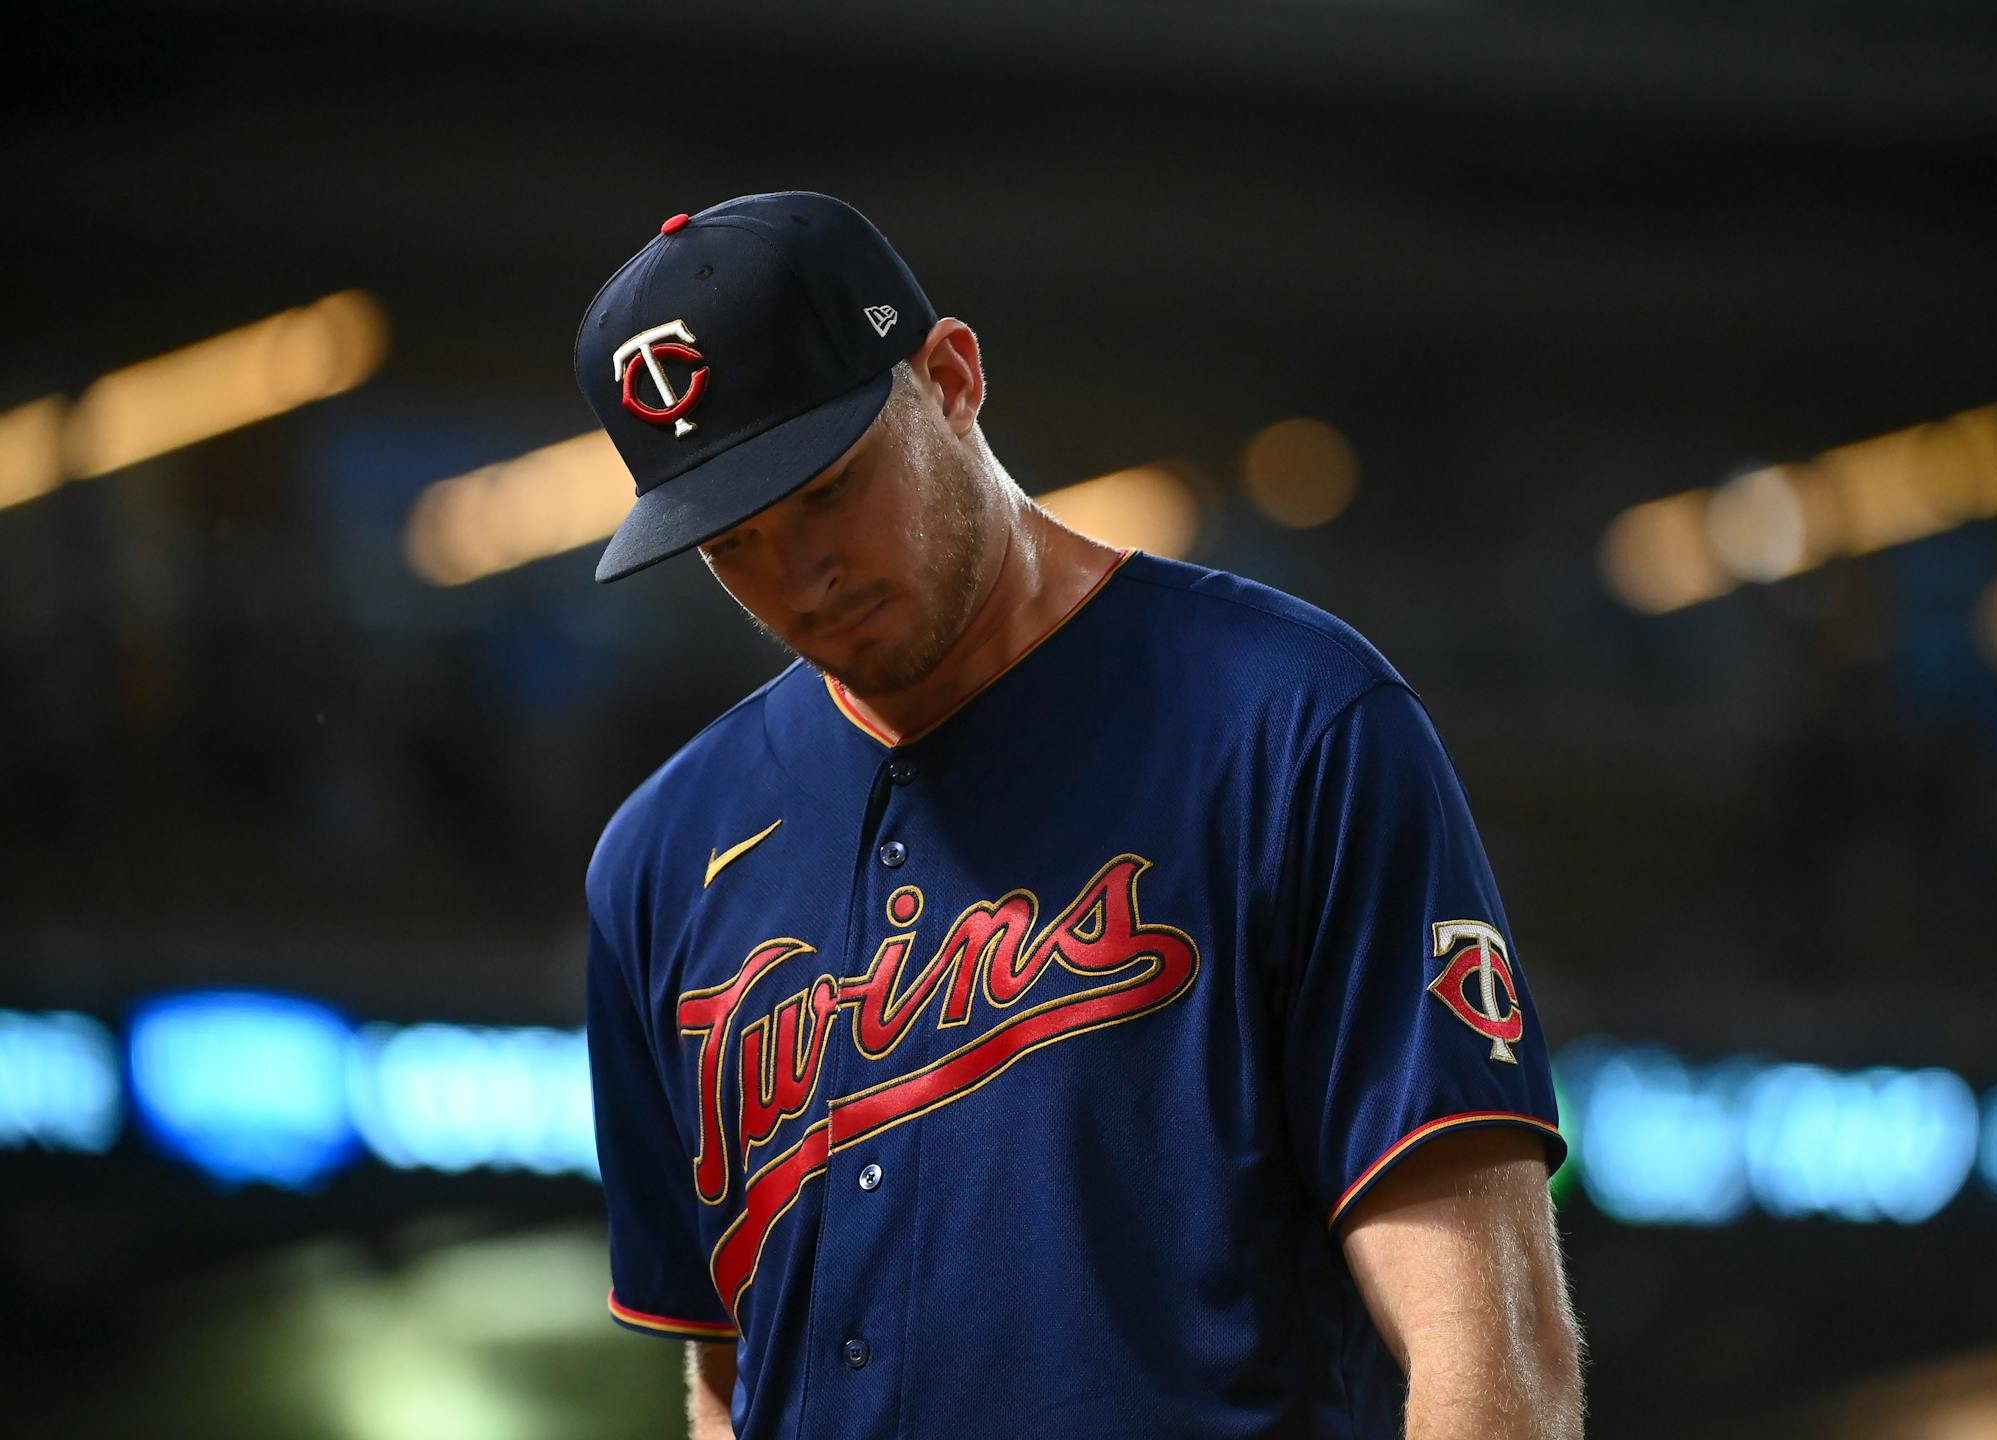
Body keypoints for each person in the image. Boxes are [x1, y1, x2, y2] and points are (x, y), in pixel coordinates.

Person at [575, 192, 1583, 1440]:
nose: (800, 576)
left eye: (830, 490)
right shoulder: (661, 860)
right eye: (737, 543)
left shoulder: (1287, 722)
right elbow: (730, 1379)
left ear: (950, 380)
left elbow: (1489, 1349)